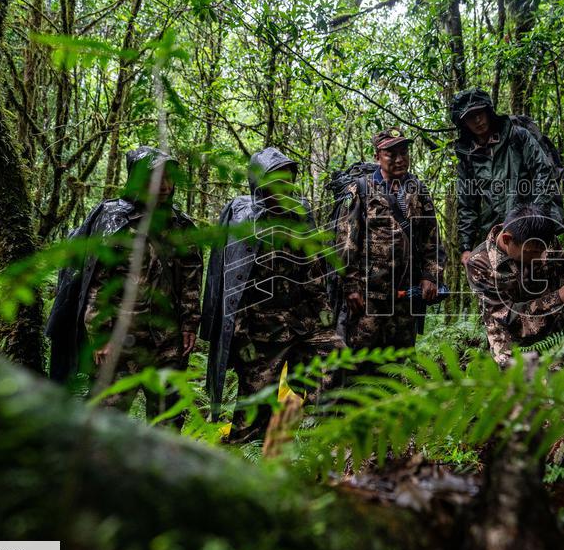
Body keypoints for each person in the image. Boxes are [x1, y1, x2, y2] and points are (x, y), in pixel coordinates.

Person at [46, 146, 202, 428]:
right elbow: (96, 283)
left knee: (168, 419)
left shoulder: (181, 225)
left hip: (167, 339)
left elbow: (191, 277)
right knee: (106, 416)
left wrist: (190, 323)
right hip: (120, 339)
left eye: (169, 178)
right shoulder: (114, 221)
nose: (166, 186)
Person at [200, 147, 345, 439]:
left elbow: (313, 270)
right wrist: (239, 335)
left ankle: (322, 435)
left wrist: (325, 318)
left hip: (301, 320)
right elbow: (232, 287)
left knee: (333, 355)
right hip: (259, 329)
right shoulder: (243, 218)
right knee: (254, 409)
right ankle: (244, 450)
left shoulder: (299, 216)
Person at [334, 127, 445, 354]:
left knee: (399, 361)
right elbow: (346, 242)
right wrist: (351, 286)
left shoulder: (418, 190)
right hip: (369, 298)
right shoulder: (361, 190)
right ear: (377, 156)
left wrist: (430, 276)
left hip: (407, 296)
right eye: (391, 154)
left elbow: (431, 240)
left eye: (404, 152)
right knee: (360, 360)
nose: (399, 159)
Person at [449, 88, 563, 270]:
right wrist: (466, 246)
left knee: (544, 280)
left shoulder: (517, 136)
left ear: (488, 111)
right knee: (501, 289)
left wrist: (535, 220)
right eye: (470, 117)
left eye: (480, 113)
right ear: (463, 123)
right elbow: (467, 203)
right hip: (497, 237)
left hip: (532, 230)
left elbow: (544, 172)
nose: (478, 120)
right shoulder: (467, 157)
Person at [466, 204, 564, 366]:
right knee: (525, 383)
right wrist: (559, 298)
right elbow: (506, 319)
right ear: (507, 239)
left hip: (553, 326)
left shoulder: (543, 241)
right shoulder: (480, 264)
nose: (540, 257)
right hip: (511, 334)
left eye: (542, 251)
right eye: (531, 252)